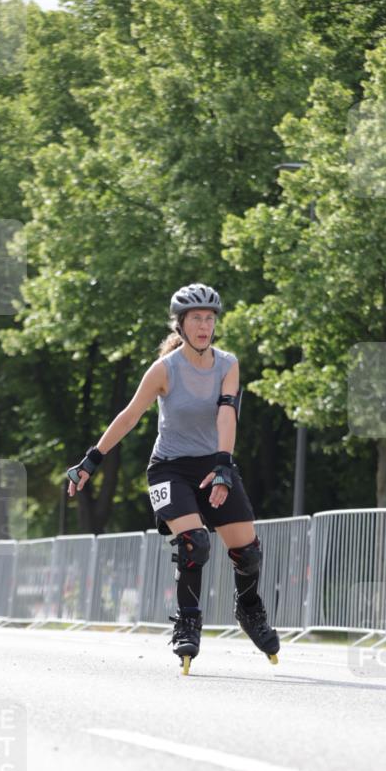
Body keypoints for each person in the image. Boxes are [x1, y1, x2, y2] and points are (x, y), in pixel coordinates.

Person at [67, 283, 280, 673]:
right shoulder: (165, 369)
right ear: (180, 325)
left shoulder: (227, 364)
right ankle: (188, 622)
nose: (204, 326)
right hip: (169, 468)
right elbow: (130, 416)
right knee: (194, 543)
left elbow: (227, 413)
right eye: (196, 318)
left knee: (247, 553)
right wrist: (91, 461)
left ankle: (249, 610)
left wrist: (222, 466)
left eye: (210, 319)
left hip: (214, 461)